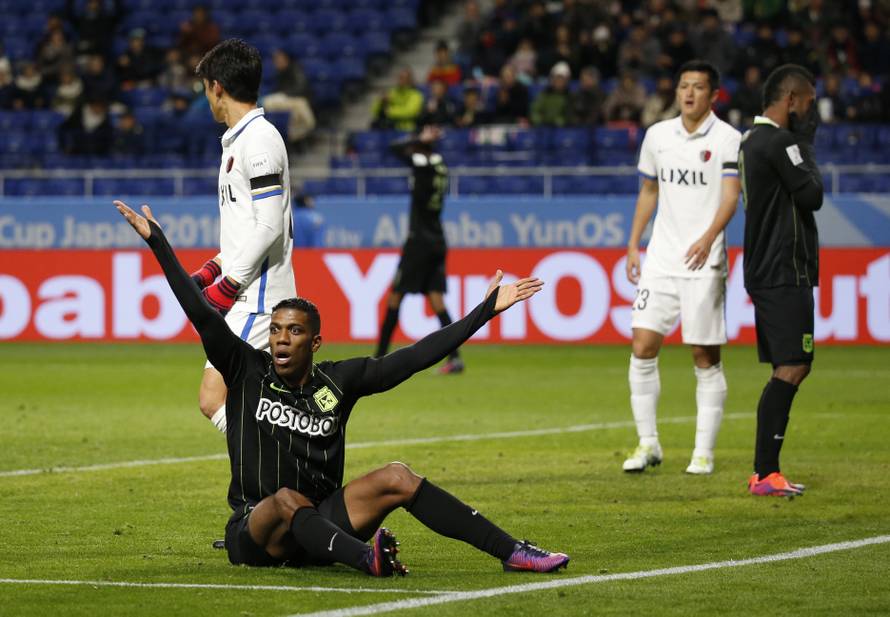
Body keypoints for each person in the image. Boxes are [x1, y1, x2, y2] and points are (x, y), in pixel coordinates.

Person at [113, 199, 569, 576]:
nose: (280, 340)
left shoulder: (339, 380)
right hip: (257, 531)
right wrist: (158, 243)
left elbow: (415, 356)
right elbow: (199, 311)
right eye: (275, 330)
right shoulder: (245, 368)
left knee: (398, 476)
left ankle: (513, 551)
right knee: (286, 500)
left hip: (321, 523)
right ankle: (366, 559)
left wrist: (483, 313)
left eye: (293, 332)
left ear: (314, 343)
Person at [622, 60, 741, 475]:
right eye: (683, 86)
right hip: (661, 259)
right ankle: (648, 443)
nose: (689, 93)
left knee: (704, 355)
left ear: (714, 95)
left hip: (704, 262)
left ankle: (703, 452)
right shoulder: (658, 135)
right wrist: (633, 244)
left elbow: (731, 196)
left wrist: (708, 238)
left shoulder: (728, 138)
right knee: (642, 347)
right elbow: (648, 191)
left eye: (698, 87)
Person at [190, 39, 297, 434]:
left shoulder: (259, 140)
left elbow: (269, 227)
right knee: (266, 406)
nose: (207, 97)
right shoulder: (240, 140)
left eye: (205, 88)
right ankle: (288, 467)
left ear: (217, 87)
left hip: (257, 298)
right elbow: (248, 230)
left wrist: (229, 285)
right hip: (251, 294)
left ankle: (266, 467)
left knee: (213, 398)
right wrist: (212, 269)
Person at [739, 64, 822, 497]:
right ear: (791, 99)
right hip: (784, 268)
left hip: (765, 266)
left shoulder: (751, 140)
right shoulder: (780, 141)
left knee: (786, 367)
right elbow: (812, 195)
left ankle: (765, 472)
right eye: (809, 103)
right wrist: (804, 147)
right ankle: (765, 473)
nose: (811, 112)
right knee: (794, 365)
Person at [375, 126, 463, 375]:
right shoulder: (440, 165)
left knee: (395, 296)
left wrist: (417, 138)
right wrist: (423, 142)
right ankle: (456, 358)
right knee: (436, 299)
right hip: (437, 240)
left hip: (419, 242)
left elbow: (393, 148)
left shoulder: (421, 164)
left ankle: (378, 359)